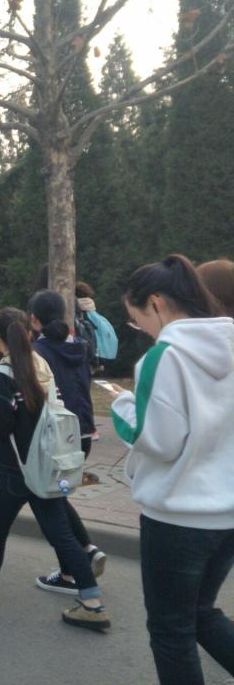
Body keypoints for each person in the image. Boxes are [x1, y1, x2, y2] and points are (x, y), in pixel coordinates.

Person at [108, 254, 233, 683]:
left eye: (137, 319)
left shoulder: (164, 357)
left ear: (157, 303)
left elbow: (157, 441)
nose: (142, 328)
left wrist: (122, 405)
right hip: (228, 516)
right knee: (200, 613)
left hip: (178, 518)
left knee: (171, 631)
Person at [0, 308, 110, 632]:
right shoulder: (41, 366)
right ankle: (92, 603)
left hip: (11, 467)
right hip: (44, 465)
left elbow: (0, 425)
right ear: (28, 333)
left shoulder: (3, 374)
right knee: (62, 535)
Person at [27, 290, 109, 593]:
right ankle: (86, 548)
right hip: (83, 433)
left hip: (57, 435)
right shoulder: (80, 346)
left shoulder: (36, 352)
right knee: (58, 497)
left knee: (50, 502)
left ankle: (70, 572)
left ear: (34, 319)